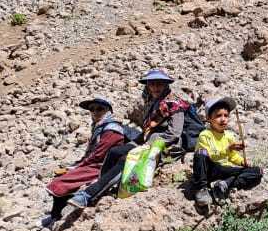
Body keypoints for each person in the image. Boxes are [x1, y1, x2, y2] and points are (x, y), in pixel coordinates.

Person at [67, 68, 192, 209]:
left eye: (159, 84)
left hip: (165, 145)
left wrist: (149, 144)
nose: (155, 87)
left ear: (166, 85)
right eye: (152, 84)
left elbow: (174, 133)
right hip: (147, 140)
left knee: (126, 159)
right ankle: (101, 184)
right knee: (114, 151)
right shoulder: (154, 102)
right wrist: (137, 142)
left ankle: (89, 194)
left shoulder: (175, 104)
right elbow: (149, 129)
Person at [40, 97, 126, 228]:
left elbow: (99, 155)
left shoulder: (112, 130)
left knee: (61, 181)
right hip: (94, 163)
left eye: (100, 109)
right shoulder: (100, 126)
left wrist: (78, 167)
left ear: (108, 111)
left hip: (101, 166)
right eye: (92, 109)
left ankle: (55, 216)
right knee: (63, 175)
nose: (95, 112)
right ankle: (55, 215)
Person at [192, 96, 263, 210]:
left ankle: (225, 184)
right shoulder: (205, 135)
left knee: (257, 171)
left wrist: (242, 162)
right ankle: (202, 190)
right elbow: (211, 155)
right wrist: (228, 149)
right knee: (201, 153)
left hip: (224, 170)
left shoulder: (229, 135)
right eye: (218, 116)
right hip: (209, 169)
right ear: (209, 118)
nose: (223, 119)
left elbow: (232, 156)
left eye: (226, 115)